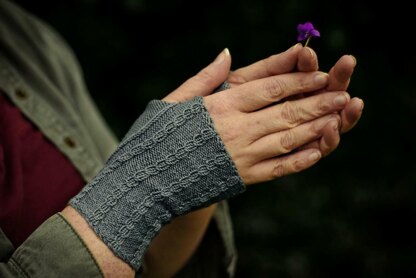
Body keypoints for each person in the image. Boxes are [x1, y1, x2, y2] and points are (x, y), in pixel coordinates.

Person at [0, 0, 364, 277]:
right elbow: (128, 199)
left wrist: (194, 173)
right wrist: (147, 184)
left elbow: (153, 263)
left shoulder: (27, 42)